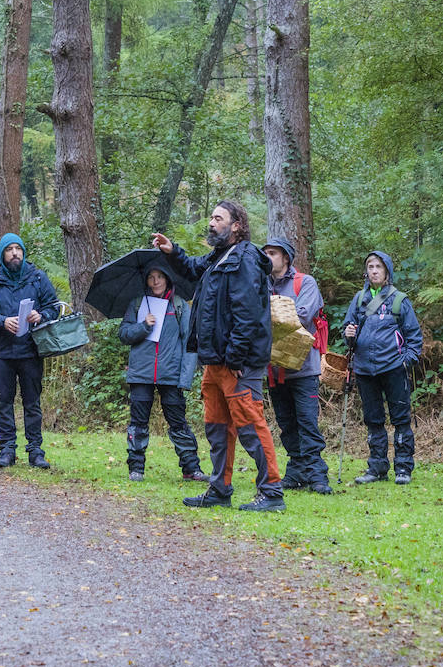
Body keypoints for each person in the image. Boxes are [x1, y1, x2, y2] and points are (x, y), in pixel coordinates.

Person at [153, 201, 285, 513]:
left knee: (250, 425)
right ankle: (220, 488)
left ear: (236, 225)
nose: (211, 223)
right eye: (211, 217)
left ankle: (272, 493)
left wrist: (237, 359)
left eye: (218, 218)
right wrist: (172, 252)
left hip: (237, 363)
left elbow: (247, 314)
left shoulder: (246, 258)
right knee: (216, 425)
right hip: (213, 361)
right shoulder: (218, 256)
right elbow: (193, 269)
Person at [0, 233, 62, 469]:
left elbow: (54, 307)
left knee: (32, 402)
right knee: (4, 402)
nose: (15, 253)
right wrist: (2, 320)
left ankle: (35, 451)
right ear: (3, 254)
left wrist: (40, 315)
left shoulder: (37, 278)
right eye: (10, 249)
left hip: (31, 351)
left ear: (23, 252)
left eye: (18, 249)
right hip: (2, 352)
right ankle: (7, 450)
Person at [116, 267, 207, 483]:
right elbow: (123, 334)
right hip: (141, 374)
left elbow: (189, 343)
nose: (156, 281)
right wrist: (143, 326)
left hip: (171, 374)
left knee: (178, 422)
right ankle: (136, 468)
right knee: (138, 423)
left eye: (160, 277)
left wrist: (185, 378)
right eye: (151, 277)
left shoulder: (180, 305)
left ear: (168, 279)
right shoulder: (138, 304)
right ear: (146, 280)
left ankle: (191, 469)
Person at [342, 251, 423, 485]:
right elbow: (349, 331)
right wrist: (349, 334)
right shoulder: (359, 299)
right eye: (370, 266)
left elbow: (414, 338)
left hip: (393, 368)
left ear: (387, 270)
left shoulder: (399, 300)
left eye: (378, 266)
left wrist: (405, 361)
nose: (374, 270)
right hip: (365, 369)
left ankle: (403, 469)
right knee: (373, 420)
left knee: (400, 419)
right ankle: (376, 468)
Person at [263, 238, 331, 495]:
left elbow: (301, 316)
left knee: (307, 421)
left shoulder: (306, 283)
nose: (268, 257)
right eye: (265, 253)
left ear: (286, 258)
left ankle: (317, 474)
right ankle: (296, 471)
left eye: (273, 253)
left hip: (304, 368)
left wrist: (267, 316)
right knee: (286, 422)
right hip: (274, 368)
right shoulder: (261, 284)